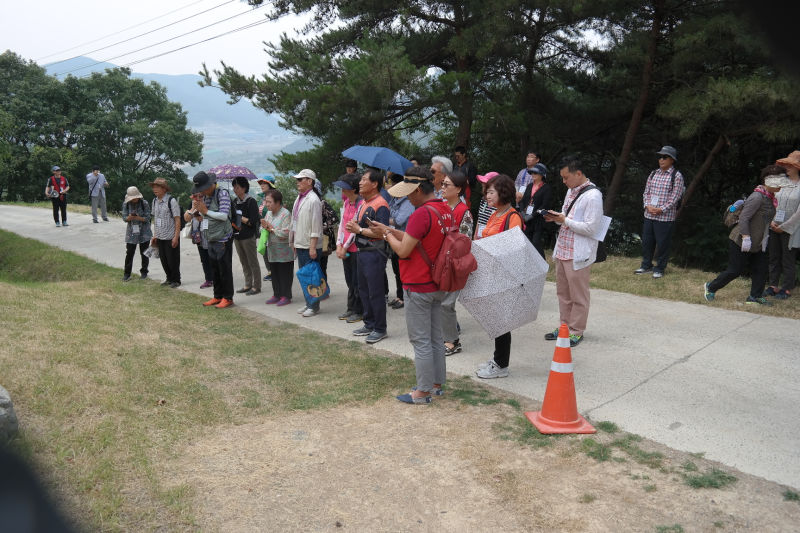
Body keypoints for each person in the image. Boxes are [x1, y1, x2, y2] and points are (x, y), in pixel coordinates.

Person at [367, 166, 453, 403]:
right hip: (438, 282)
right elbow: (421, 240)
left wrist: (386, 236)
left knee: (420, 340)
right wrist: (390, 229)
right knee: (436, 337)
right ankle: (436, 384)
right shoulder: (444, 209)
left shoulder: (420, 214)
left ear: (417, 190)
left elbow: (405, 249)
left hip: (418, 283)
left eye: (408, 192)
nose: (406, 197)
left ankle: (422, 392)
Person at [704, 166, 792, 306]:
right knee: (735, 270)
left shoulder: (770, 198)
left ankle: (754, 297)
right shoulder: (757, 196)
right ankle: (710, 287)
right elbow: (744, 218)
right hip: (741, 240)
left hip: (759, 241)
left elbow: (764, 218)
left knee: (761, 270)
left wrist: (772, 224)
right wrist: (746, 237)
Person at [543, 155, 605, 348]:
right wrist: (558, 218)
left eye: (566, 177)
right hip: (563, 248)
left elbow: (591, 228)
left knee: (578, 295)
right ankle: (564, 327)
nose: (564, 181)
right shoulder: (571, 191)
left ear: (578, 173)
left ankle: (576, 330)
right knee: (563, 293)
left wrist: (564, 220)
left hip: (578, 252)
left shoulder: (593, 196)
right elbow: (568, 216)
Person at [474, 174, 524, 379]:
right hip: (490, 272)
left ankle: (502, 365)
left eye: (491, 192)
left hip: (503, 276)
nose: (487, 195)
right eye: (487, 192)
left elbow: (515, 249)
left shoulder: (513, 217)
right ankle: (497, 359)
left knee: (502, 321)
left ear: (503, 193)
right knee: (495, 319)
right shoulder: (496, 214)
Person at [344, 168, 391, 344]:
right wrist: (356, 225)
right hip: (362, 251)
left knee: (375, 292)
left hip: (375, 252)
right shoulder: (364, 202)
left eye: (364, 180)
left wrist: (360, 230)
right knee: (363, 290)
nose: (360, 183)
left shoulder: (381, 204)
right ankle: (369, 323)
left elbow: (383, 232)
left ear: (375, 184)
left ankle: (380, 328)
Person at [635, 145, 685, 279]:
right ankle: (646, 265)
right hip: (649, 214)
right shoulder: (653, 174)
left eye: (665, 157)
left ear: (672, 160)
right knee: (647, 241)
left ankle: (660, 268)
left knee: (663, 244)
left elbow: (675, 197)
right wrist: (647, 206)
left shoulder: (677, 176)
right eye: (660, 157)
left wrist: (661, 209)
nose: (661, 159)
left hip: (665, 217)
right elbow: (646, 192)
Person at [440, 171, 473, 356]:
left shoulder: (464, 212)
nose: (442, 188)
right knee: (440, 302)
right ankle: (446, 336)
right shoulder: (441, 206)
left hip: (454, 265)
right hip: (440, 263)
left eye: (447, 185)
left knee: (446, 303)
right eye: (442, 184)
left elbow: (465, 241)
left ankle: (452, 341)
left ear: (459, 189)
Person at [192, 171, 235, 308]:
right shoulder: (205, 196)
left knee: (225, 269)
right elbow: (207, 215)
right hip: (210, 237)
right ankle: (217, 296)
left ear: (210, 185)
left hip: (223, 238)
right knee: (215, 269)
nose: (201, 192)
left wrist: (205, 212)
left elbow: (223, 215)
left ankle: (228, 298)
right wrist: (199, 212)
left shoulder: (222, 193)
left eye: (203, 189)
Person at [766, 151, 800, 299]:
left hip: (791, 228)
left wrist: (784, 226)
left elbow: (799, 212)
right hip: (773, 225)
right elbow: (770, 201)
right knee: (773, 256)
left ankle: (786, 288)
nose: (787, 167)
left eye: (790, 165)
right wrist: (772, 221)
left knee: (788, 259)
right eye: (785, 164)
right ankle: (773, 285)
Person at [291, 169, 324, 317]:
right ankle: (308, 303)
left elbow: (316, 226)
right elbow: (295, 221)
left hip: (309, 245)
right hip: (300, 243)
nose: (298, 182)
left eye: (300, 179)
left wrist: (312, 247)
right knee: (304, 276)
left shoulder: (314, 200)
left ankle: (314, 305)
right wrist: (293, 242)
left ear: (309, 181)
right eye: (297, 180)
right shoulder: (300, 198)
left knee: (312, 276)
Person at [334, 173, 364, 322]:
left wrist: (344, 246)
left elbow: (354, 228)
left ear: (353, 189)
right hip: (345, 248)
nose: (342, 191)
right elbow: (342, 225)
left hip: (355, 248)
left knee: (357, 280)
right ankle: (351, 308)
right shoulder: (347, 203)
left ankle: (359, 310)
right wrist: (339, 244)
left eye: (345, 188)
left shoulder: (361, 204)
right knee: (349, 280)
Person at [387, 171, 416, 309]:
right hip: (395, 238)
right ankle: (399, 295)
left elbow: (398, 220)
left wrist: (387, 220)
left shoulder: (407, 201)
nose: (389, 187)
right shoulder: (394, 200)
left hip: (404, 238)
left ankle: (404, 297)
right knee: (396, 269)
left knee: (402, 270)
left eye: (392, 184)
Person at [261, 188, 294, 306]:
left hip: (284, 252)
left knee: (284, 273)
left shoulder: (286, 214)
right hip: (272, 250)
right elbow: (264, 228)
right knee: (274, 272)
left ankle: (286, 296)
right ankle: (276, 294)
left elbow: (286, 233)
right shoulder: (269, 213)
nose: (267, 204)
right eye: (266, 202)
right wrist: (264, 227)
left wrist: (271, 229)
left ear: (278, 202)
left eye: (269, 202)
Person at [231, 176, 262, 295]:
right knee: (243, 261)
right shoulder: (234, 201)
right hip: (237, 236)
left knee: (252, 261)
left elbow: (253, 221)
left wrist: (240, 217)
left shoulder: (251, 201)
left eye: (237, 187)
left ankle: (256, 286)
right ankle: (248, 284)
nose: (235, 189)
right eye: (234, 187)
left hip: (248, 237)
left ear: (244, 188)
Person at [149, 177, 182, 288]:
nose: (155, 189)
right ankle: (169, 278)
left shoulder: (171, 201)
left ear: (164, 189)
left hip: (170, 236)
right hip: (160, 236)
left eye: (157, 187)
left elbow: (177, 220)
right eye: (154, 187)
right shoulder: (154, 201)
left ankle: (176, 280)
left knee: (173, 259)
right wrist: (155, 235)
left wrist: (176, 237)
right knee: (163, 259)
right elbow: (155, 219)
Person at [518, 163, 553, 258]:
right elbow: (522, 201)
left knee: (536, 242)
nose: (533, 175)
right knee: (527, 241)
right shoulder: (529, 186)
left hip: (538, 219)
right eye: (532, 173)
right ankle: (531, 263)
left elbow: (544, 205)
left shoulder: (547, 188)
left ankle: (543, 263)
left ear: (542, 175)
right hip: (526, 219)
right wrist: (521, 212)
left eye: (535, 173)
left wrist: (533, 215)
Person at [121, 186, 151, 281]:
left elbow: (148, 218)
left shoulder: (144, 203)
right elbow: (124, 218)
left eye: (135, 197)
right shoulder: (126, 204)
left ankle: (144, 271)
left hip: (144, 231)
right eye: (132, 198)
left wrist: (138, 218)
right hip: (131, 232)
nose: (134, 199)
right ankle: (127, 274)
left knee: (145, 253)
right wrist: (129, 218)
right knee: (129, 253)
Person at [184, 203, 214, 289]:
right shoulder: (193, 203)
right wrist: (193, 208)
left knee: (213, 258)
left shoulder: (209, 200)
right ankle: (208, 279)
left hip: (210, 234)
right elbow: (186, 218)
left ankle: (217, 279)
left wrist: (204, 217)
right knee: (204, 259)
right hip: (198, 234)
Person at [256, 176, 277, 281]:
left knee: (272, 250)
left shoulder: (275, 197)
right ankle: (270, 271)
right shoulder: (262, 198)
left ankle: (276, 272)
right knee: (265, 250)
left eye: (264, 183)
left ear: (270, 185)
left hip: (272, 228)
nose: (262, 186)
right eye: (260, 184)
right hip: (263, 228)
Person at [473, 171, 499, 238]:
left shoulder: (497, 203)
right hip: (479, 235)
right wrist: (475, 235)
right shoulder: (483, 199)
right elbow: (479, 218)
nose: (483, 184)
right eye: (483, 183)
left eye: (486, 183)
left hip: (489, 236)